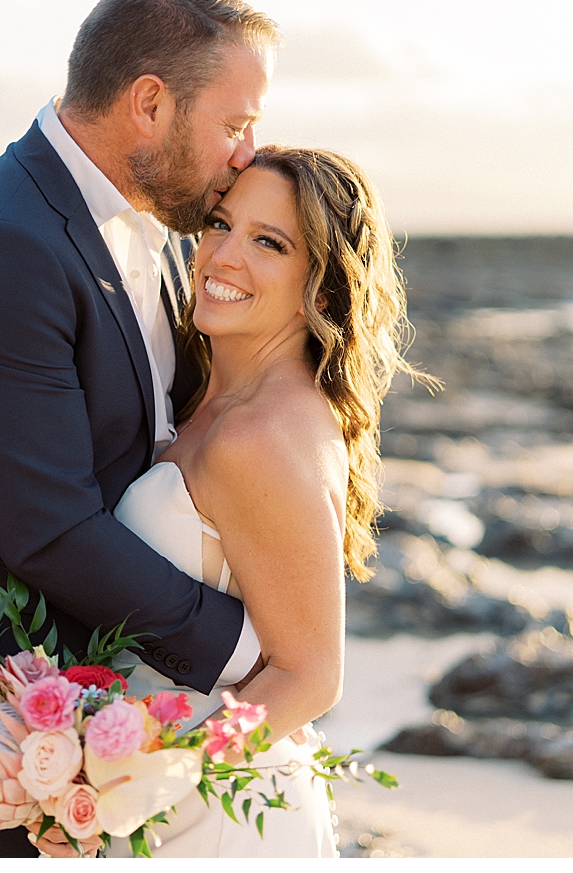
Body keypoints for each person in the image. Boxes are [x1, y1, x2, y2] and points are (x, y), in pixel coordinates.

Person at [0, 0, 280, 858]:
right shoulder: (3, 243)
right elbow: (49, 525)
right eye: (236, 122)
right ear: (150, 104)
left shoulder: (155, 226)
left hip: (121, 701)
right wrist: (249, 653)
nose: (246, 153)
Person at [107, 146, 429, 856]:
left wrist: (163, 774)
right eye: (220, 224)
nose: (221, 256)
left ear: (319, 287)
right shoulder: (210, 399)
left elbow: (311, 673)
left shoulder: (259, 435)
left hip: (213, 814)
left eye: (269, 243)